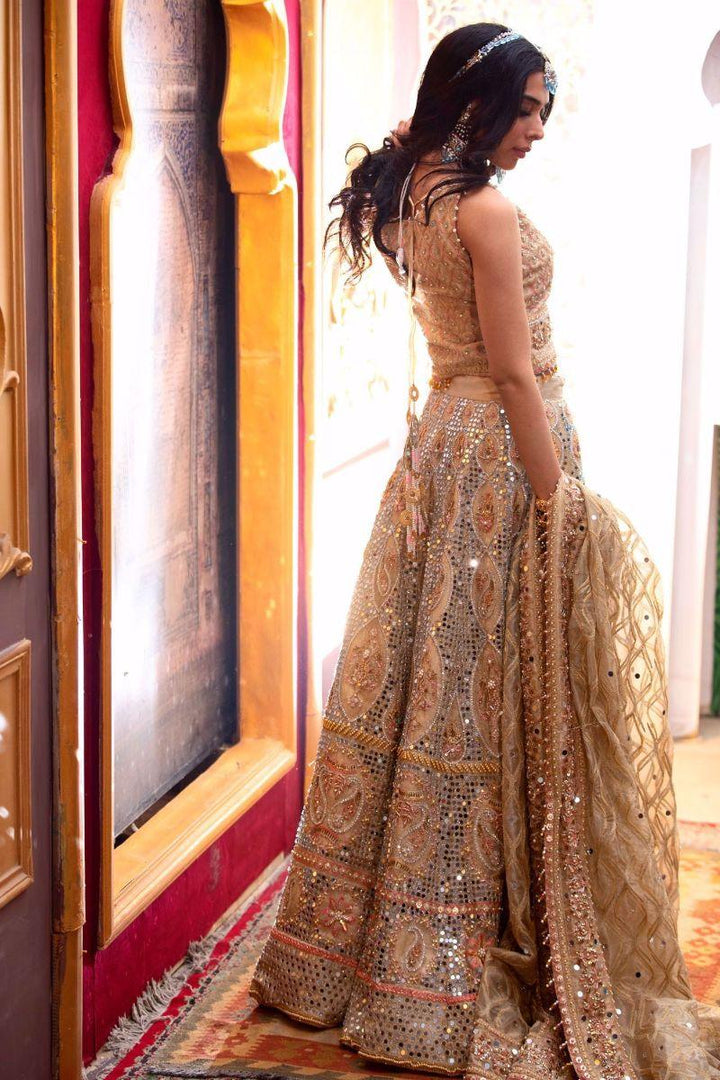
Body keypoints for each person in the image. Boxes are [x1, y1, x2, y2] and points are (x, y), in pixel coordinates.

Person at [249, 22, 720, 1079]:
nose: (538, 129)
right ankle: (457, 950)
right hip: (504, 451)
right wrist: (562, 508)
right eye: (528, 108)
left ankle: (366, 954)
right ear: (476, 103)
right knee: (491, 690)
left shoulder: (410, 188)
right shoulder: (487, 210)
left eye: (544, 110)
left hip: (438, 449)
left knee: (436, 691)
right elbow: (513, 371)